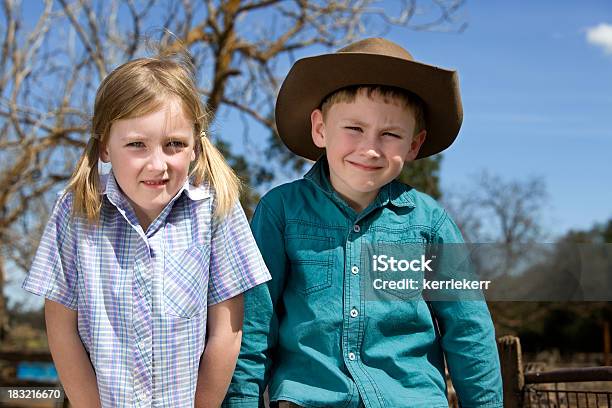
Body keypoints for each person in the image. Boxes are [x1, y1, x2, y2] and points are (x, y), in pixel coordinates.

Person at [223, 38, 503, 407]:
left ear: (414, 145)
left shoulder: (430, 223)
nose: (370, 149)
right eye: (354, 128)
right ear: (320, 128)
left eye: (390, 134)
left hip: (409, 399)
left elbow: (469, 331)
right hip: (311, 399)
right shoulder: (281, 211)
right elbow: (253, 327)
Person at [23, 52, 271, 407]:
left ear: (196, 148)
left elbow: (227, 333)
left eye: (175, 144)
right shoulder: (75, 212)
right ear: (105, 146)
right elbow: (61, 329)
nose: (158, 164)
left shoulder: (217, 211)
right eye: (137, 144)